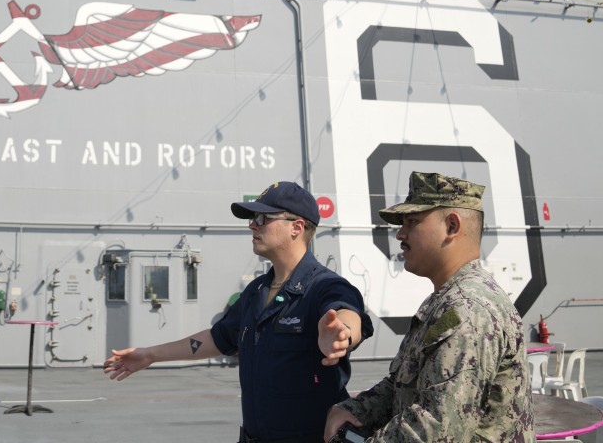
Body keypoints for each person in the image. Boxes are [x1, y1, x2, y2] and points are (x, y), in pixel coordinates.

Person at [104, 181, 374, 443]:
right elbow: (217, 338)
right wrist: (150, 355)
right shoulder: (256, 292)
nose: (252, 225)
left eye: (262, 218)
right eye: (252, 218)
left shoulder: (324, 285)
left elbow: (346, 313)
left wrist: (343, 335)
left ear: (297, 227)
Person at [323, 172, 534, 442]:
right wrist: (355, 409)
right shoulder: (445, 301)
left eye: (412, 222)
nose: (400, 233)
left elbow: (435, 431)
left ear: (452, 226)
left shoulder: (467, 309)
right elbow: (404, 386)